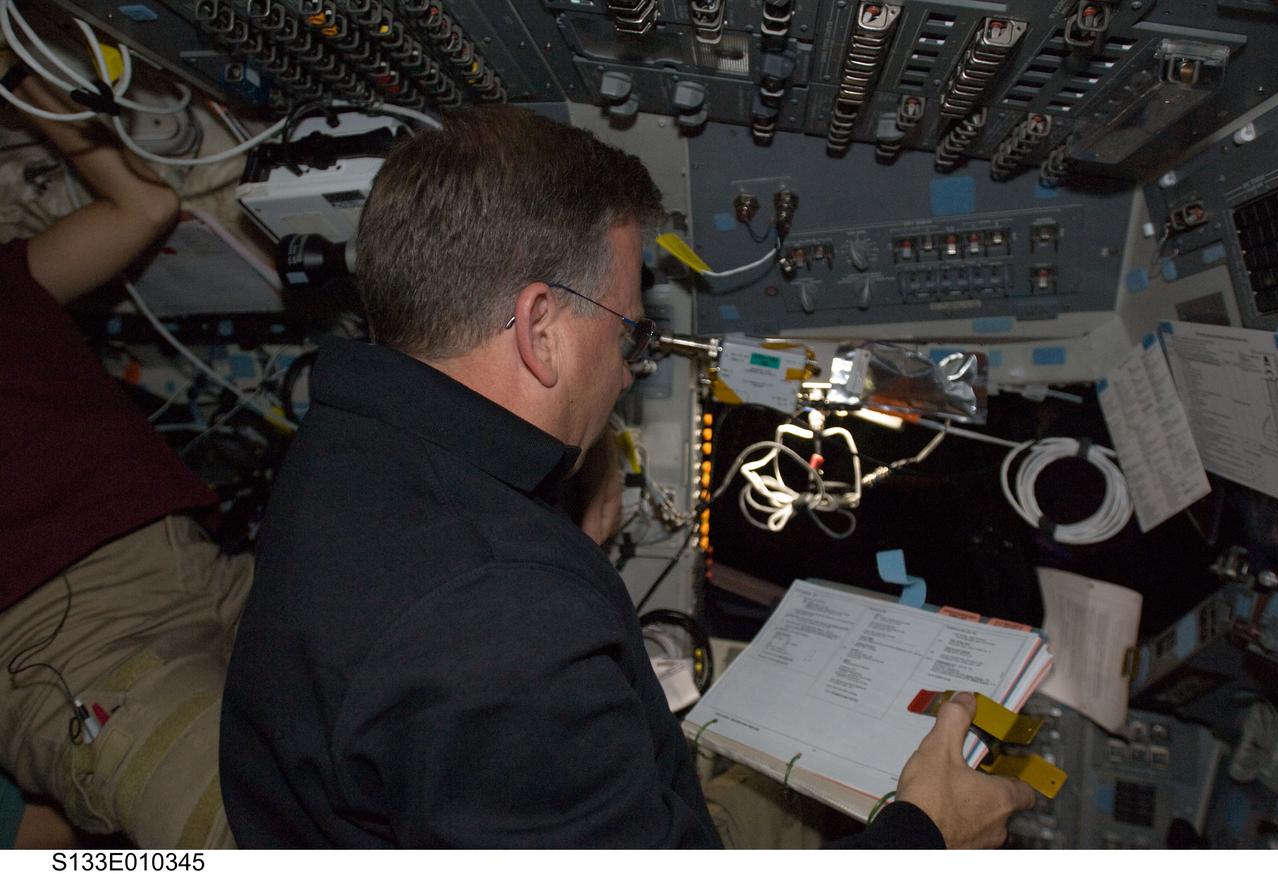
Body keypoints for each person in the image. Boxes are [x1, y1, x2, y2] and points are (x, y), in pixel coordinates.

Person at [219, 105, 1034, 848]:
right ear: (541, 329)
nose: (625, 376)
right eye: (629, 338)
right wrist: (927, 841)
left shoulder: (349, 442)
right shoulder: (501, 621)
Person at [0, 60, 252, 848]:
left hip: (199, 566)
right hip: (70, 638)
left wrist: (15, 73)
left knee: (450, 693)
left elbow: (146, 206)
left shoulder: (8, 279)